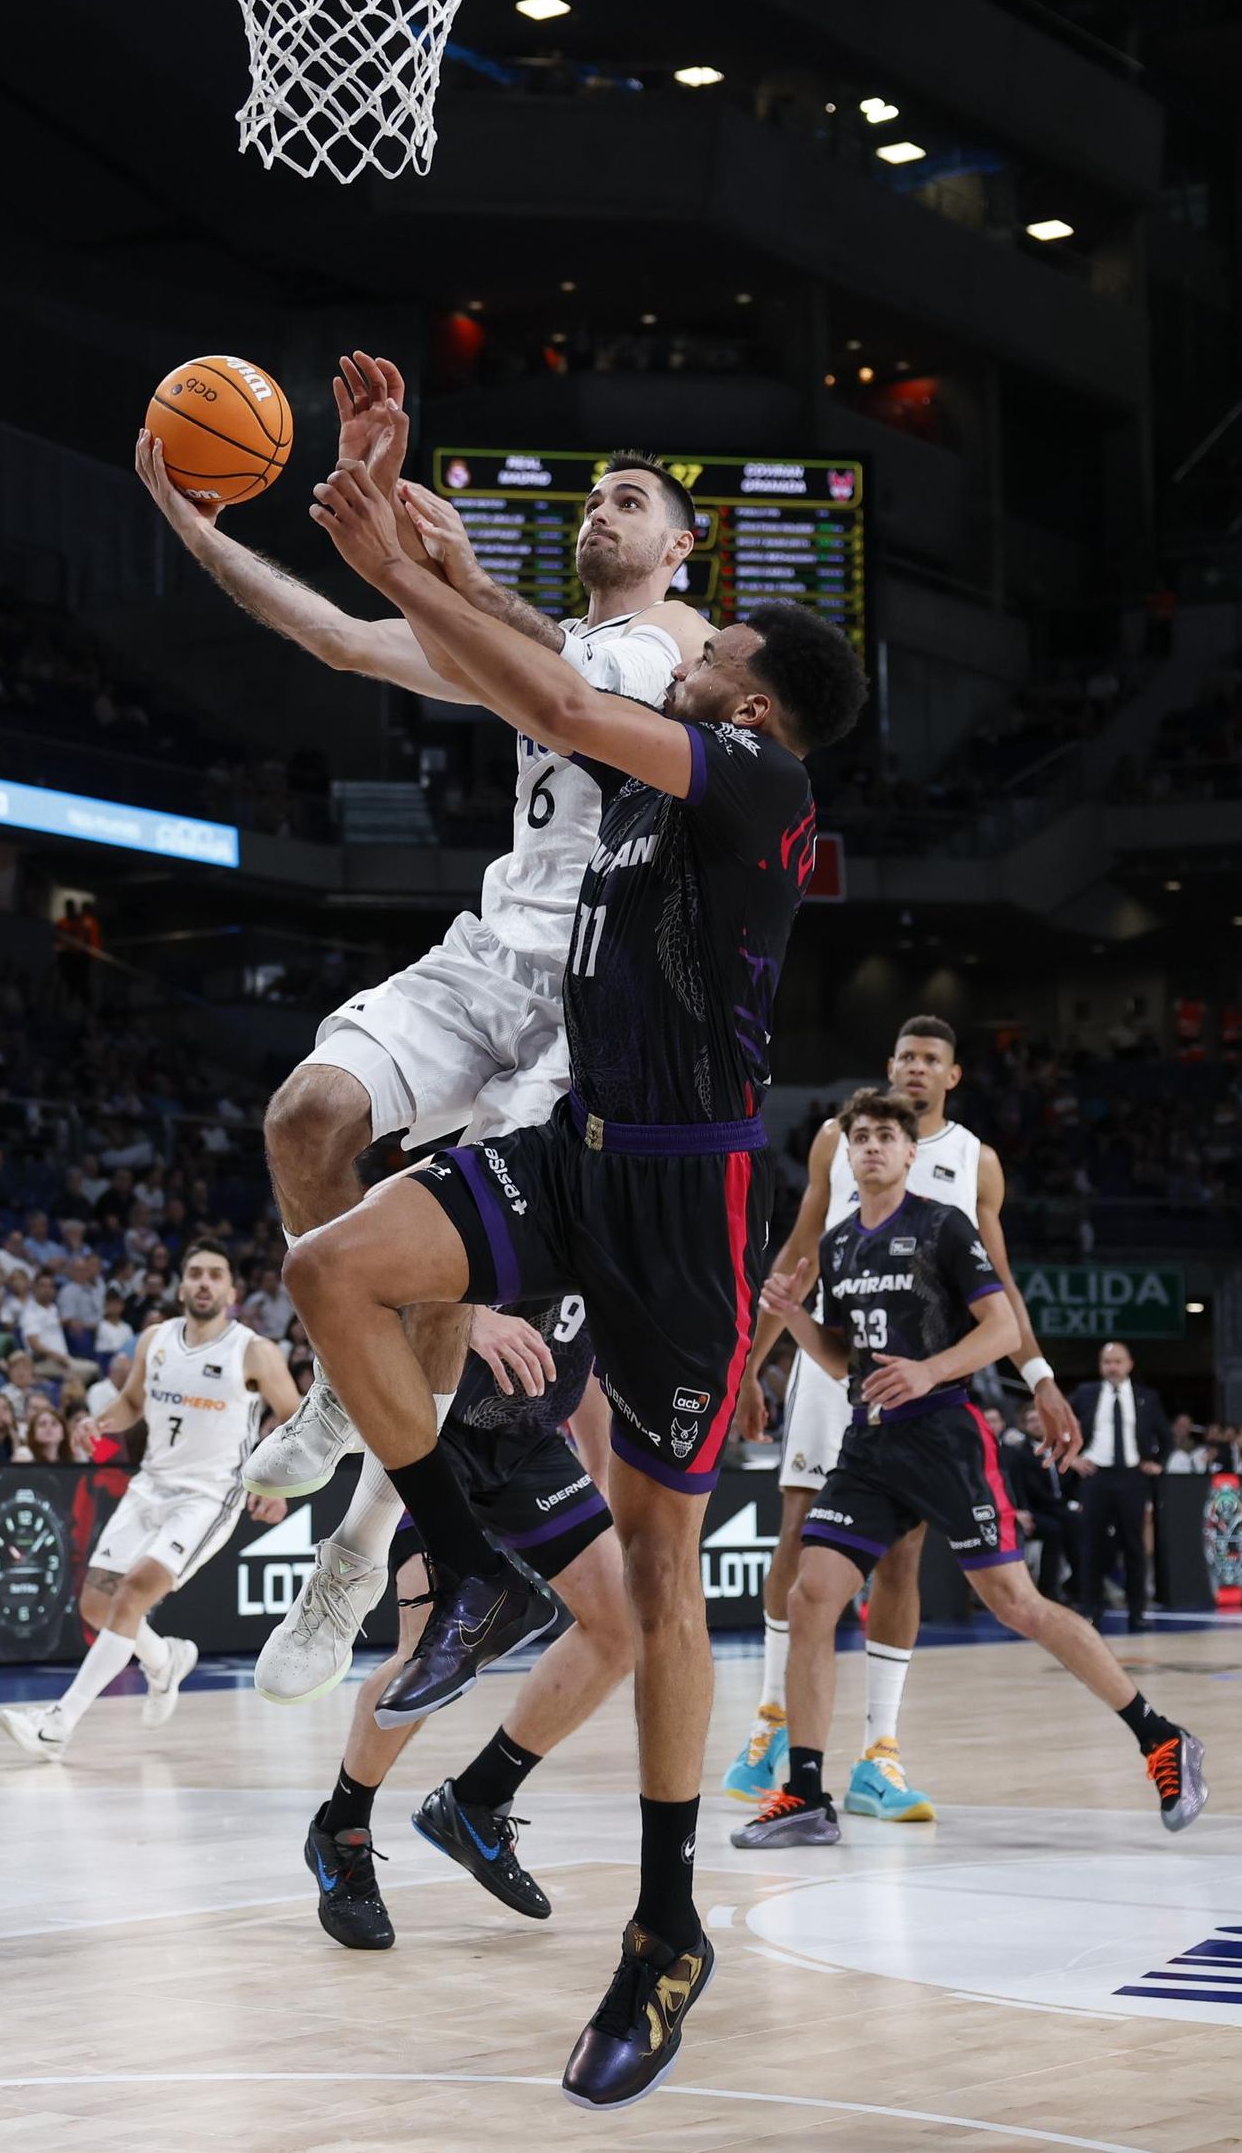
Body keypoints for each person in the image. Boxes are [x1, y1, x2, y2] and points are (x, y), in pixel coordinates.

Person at [283, 459, 870, 2111]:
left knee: (662, 1569)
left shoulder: (747, 778)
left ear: (749, 697)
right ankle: (467, 1566)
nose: (684, 651)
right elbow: (525, 680)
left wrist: (409, 571)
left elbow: (544, 683)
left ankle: (666, 1925)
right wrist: (424, 561)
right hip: (574, 1153)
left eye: (711, 643)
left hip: (689, 1200)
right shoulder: (651, 774)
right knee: (332, 1266)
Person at [139, 360, 710, 1706]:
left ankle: (361, 1547)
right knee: (305, 1120)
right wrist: (200, 528)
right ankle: (351, 1383)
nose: (605, 515)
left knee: (459, 1233)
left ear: (678, 548)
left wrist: (425, 559)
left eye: (631, 502)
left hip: (599, 995)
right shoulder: (520, 650)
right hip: (490, 954)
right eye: (598, 500)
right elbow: (339, 639)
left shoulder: (681, 646)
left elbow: (569, 680)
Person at [729, 1092, 1205, 1855]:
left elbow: (1004, 1328)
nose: (872, 1147)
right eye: (861, 1137)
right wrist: (792, 1317)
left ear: (910, 1154)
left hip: (945, 1437)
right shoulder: (843, 1243)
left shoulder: (941, 1226)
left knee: (1018, 1603)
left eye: (886, 1136)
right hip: (869, 1445)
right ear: (845, 1152)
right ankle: (806, 1794)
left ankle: (1160, 1737)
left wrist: (929, 1371)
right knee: (811, 1594)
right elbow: (844, 1358)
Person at [722, 1013, 1078, 1821]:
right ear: (890, 1065)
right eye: (905, 1056)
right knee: (798, 1541)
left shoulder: (973, 1162)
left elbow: (1001, 1285)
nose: (916, 1068)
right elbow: (797, 1255)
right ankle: (771, 1723)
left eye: (931, 1060)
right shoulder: (839, 1140)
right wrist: (752, 1366)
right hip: (831, 1371)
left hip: (917, 1387)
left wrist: (1041, 1377)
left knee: (902, 1564)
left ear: (952, 1077)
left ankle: (879, 1751)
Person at [306, 1294, 634, 1951]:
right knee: (428, 1651)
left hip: (528, 1445)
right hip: (433, 1435)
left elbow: (587, 1347)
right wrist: (466, 1318)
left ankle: (478, 1799)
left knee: (621, 1627)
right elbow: (370, 1286)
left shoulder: (613, 1221)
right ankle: (340, 1832)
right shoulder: (496, 1194)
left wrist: (597, 1463)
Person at [0, 1241, 300, 1761]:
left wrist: (280, 1489)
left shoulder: (253, 1351)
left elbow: (295, 1418)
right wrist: (99, 1422)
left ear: (230, 1291)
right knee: (95, 1603)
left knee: (133, 1593)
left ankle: (57, 1724)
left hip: (208, 1496)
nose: (204, 1283)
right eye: (195, 1274)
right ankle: (163, 1661)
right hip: (150, 1485)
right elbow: (133, 1402)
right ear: (181, 1286)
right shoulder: (154, 1340)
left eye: (215, 1275)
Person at [1072, 1341, 1169, 1631]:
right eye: (1106, 1362)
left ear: (1129, 1364)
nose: (1111, 1367)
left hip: (1131, 1477)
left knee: (1134, 1547)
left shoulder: (1146, 1397)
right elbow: (1063, 1427)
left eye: (1117, 1361)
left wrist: (1158, 1462)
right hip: (1096, 1476)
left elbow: (1166, 1434)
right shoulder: (1085, 1394)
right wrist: (1073, 1458)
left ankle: (1137, 1611)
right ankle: (1090, 1609)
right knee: (1092, 1545)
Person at [1006, 1400, 1081, 1599]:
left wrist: (1075, 1502)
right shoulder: (1020, 1454)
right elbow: (1022, 1487)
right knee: (1055, 1529)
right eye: (1031, 1420)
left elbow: (1072, 1483)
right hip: (1036, 1510)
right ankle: (1049, 1589)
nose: (1037, 1424)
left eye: (1040, 1419)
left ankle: (1080, 1584)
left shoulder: (1063, 1450)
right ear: (1024, 1425)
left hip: (1059, 1507)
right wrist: (1022, 1510)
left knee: (1079, 1524)